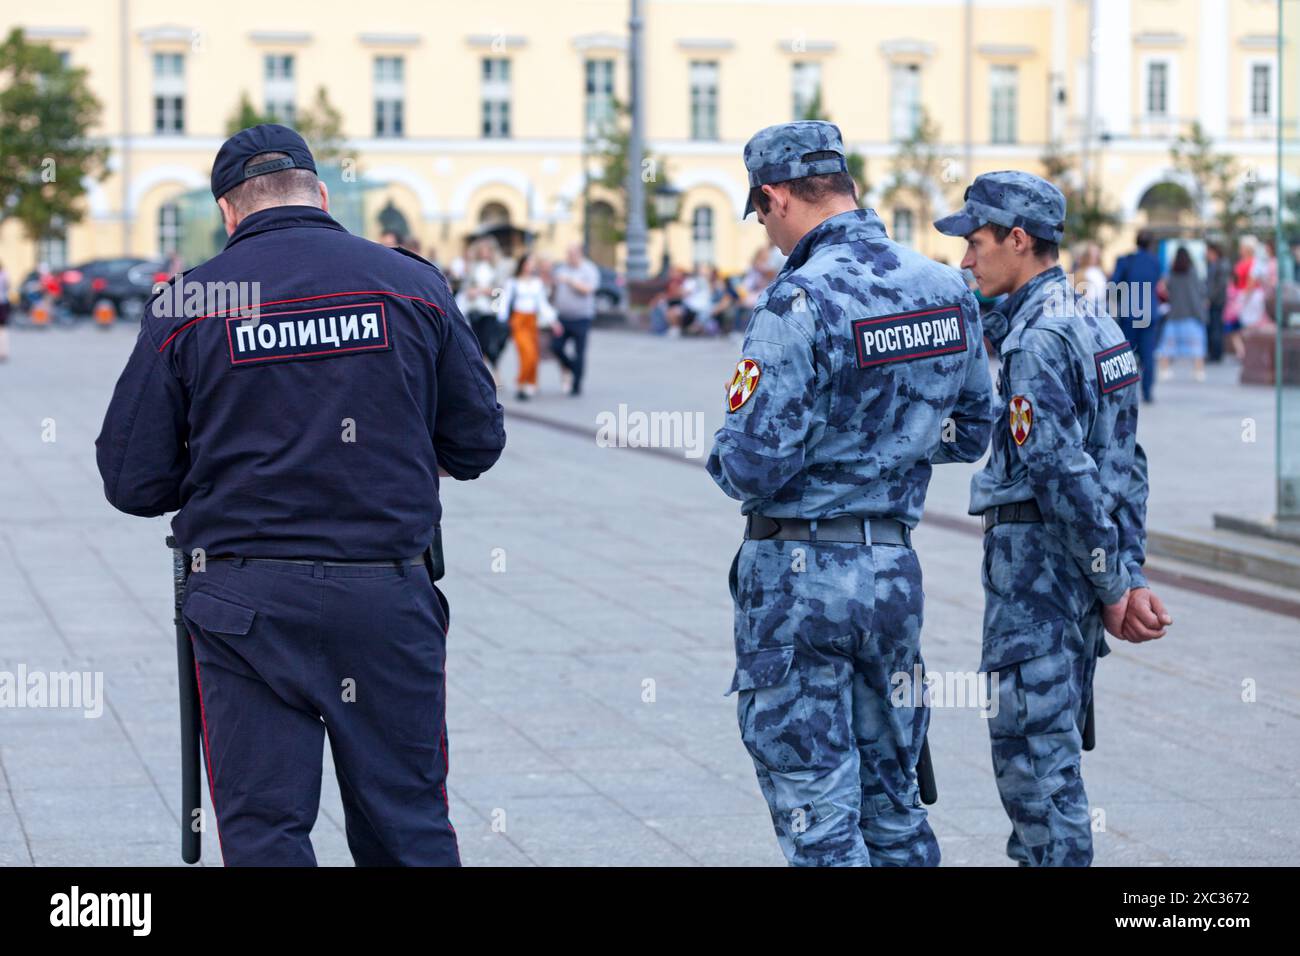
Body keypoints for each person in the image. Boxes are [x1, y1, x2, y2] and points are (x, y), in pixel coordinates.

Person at [94, 124, 506, 866]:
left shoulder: (190, 302)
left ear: (229, 211)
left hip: (245, 606)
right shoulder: (410, 283)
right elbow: (477, 443)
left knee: (264, 834)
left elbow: (132, 480)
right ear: (319, 193)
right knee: (406, 822)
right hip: (384, 595)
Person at [708, 121, 994, 867]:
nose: (768, 234)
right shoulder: (944, 286)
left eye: (762, 215)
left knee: (818, 814)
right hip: (893, 573)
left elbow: (751, 463)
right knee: (893, 801)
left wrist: (821, 450)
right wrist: (887, 447)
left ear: (774, 197)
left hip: (800, 580)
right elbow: (973, 430)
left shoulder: (798, 299)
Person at [934, 170, 1173, 867]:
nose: (967, 260)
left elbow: (1061, 474)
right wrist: (1124, 572)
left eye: (977, 243)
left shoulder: (1037, 341)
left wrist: (1115, 587)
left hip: (1037, 587)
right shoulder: (1095, 324)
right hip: (1070, 582)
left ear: (1019, 239)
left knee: (1036, 777)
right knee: (1053, 764)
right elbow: (1129, 464)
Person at [1110, 231, 1162, 403]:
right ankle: (1147, 392)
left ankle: (1124, 391)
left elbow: (1114, 285)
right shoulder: (1155, 261)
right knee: (1148, 354)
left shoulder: (1126, 260)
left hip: (1129, 314)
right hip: (1149, 312)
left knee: (1126, 354)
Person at [497, 251, 555, 400]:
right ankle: (521, 382)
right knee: (526, 352)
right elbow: (505, 301)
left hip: (532, 320)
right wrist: (502, 319)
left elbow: (542, 304)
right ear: (522, 264)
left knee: (534, 355)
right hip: (519, 320)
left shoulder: (537, 283)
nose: (530, 266)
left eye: (532, 263)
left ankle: (530, 383)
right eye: (528, 262)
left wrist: (553, 321)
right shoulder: (513, 282)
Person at [548, 243, 600, 396]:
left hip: (581, 317)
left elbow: (588, 290)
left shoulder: (588, 269)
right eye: (568, 254)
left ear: (579, 254)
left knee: (580, 352)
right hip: (562, 317)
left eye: (572, 254)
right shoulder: (562, 269)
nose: (569, 257)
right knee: (556, 346)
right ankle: (572, 367)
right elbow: (554, 291)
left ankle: (576, 385)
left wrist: (570, 281)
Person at [456, 237, 509, 374]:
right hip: (475, 308)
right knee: (476, 343)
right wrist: (471, 291)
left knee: (487, 342)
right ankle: (483, 372)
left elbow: (500, 290)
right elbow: (465, 287)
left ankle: (492, 370)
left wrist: (486, 291)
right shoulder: (473, 267)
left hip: (490, 310)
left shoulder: (497, 268)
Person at [1156, 246, 1208, 382]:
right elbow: (1198, 293)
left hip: (1175, 314)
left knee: (1167, 344)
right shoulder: (1193, 273)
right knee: (1197, 345)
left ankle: (1164, 369)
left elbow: (1165, 290)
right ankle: (1199, 371)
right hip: (1191, 314)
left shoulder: (1172, 273)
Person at [1204, 242, 1230, 363]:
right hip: (1215, 301)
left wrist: (1210, 298)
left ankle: (1216, 354)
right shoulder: (1214, 265)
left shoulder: (1220, 265)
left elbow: (1219, 286)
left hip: (1216, 302)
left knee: (1215, 328)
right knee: (1214, 327)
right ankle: (1214, 353)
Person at [0, 260, 10, 361]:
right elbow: (8, 286)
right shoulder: (4, 274)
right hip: (2, 302)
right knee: (3, 329)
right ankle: (3, 352)